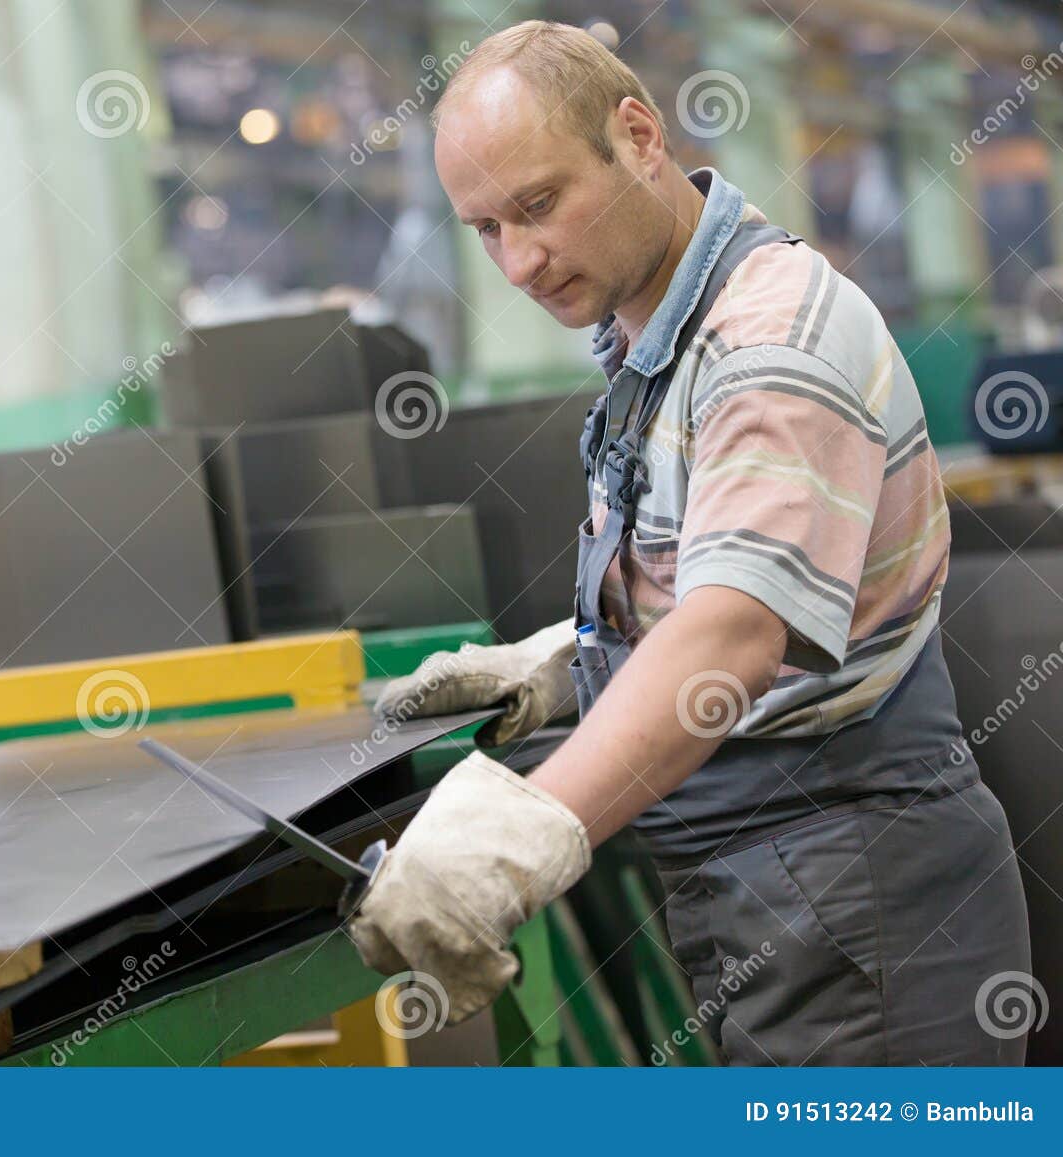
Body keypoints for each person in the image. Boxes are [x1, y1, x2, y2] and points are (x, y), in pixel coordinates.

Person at [352, 20, 1032, 1065]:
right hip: (769, 880)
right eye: (485, 227)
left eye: (538, 204)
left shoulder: (766, 345)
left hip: (859, 896)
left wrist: (520, 836)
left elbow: (730, 635)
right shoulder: (659, 326)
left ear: (636, 134)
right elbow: (705, 566)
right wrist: (576, 659)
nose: (520, 260)